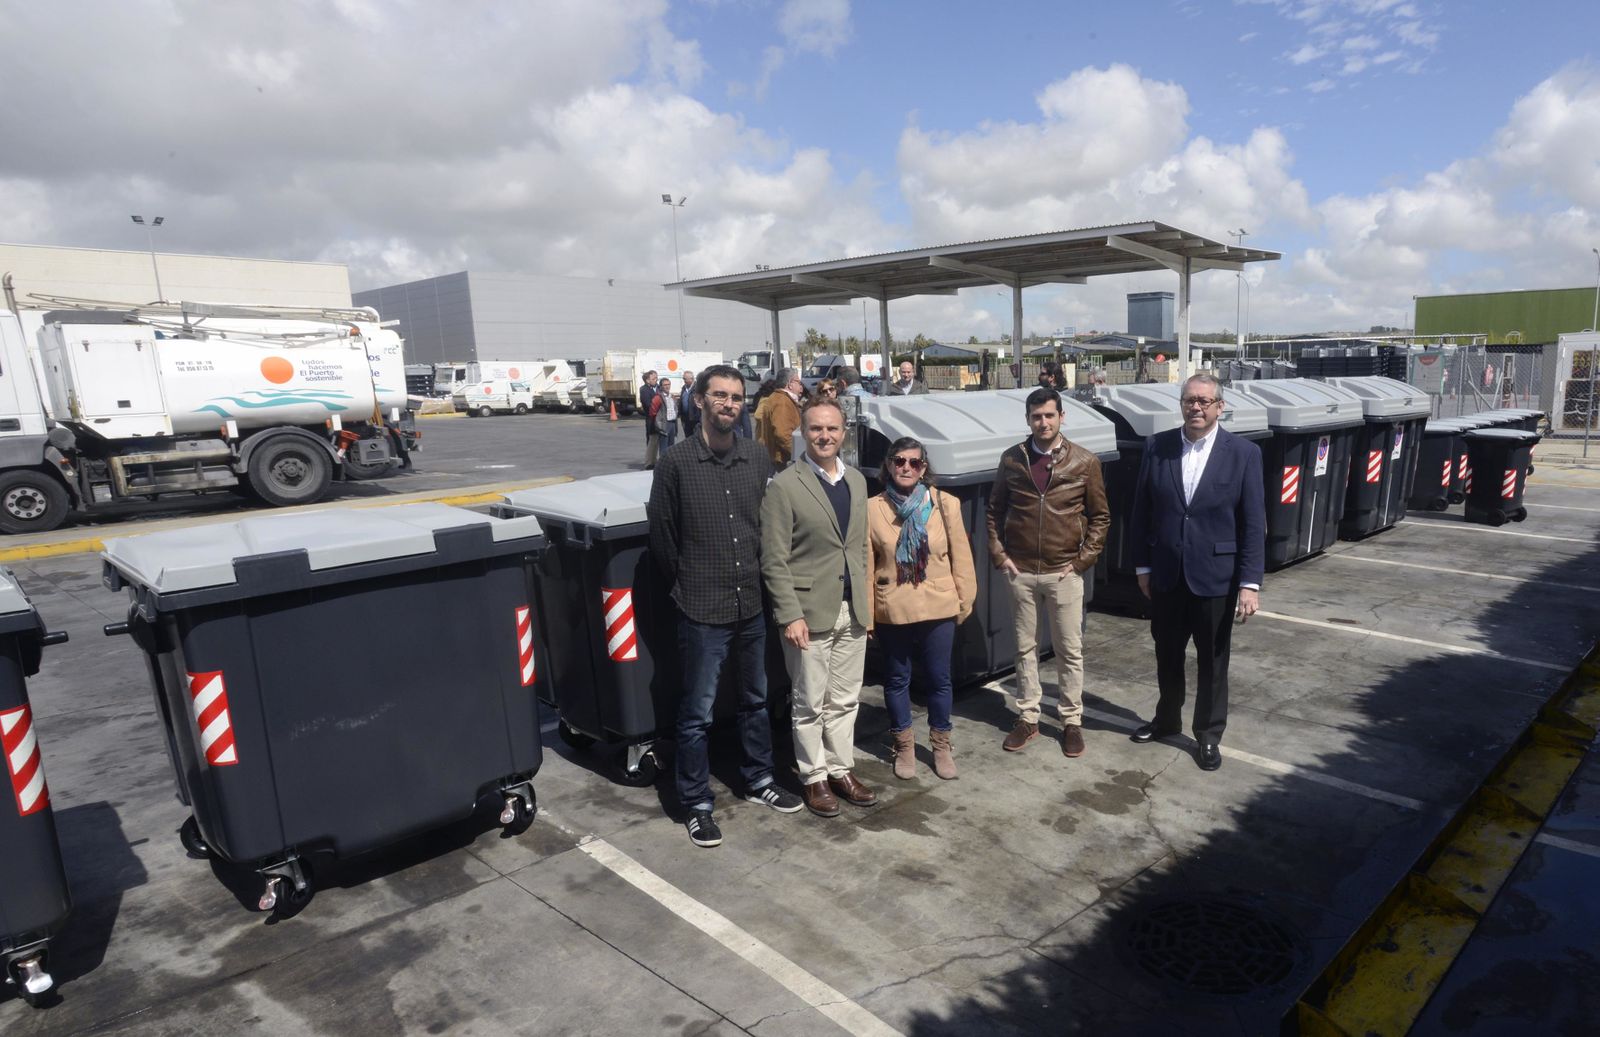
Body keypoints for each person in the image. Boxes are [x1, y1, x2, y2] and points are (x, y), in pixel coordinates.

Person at [647, 365, 804, 848]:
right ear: (699, 401)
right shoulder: (675, 464)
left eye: (736, 397)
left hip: (751, 602)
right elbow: (663, 538)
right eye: (719, 395)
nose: (729, 404)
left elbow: (769, 527)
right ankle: (695, 802)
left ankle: (759, 780)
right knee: (697, 713)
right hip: (701, 606)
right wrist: (687, 583)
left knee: (756, 700)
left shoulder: (758, 459)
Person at [1128, 373, 1264, 772]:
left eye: (1205, 401)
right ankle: (1167, 719)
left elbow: (1254, 523)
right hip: (1167, 576)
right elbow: (1141, 513)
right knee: (1167, 654)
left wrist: (1250, 582)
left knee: (1213, 661)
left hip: (1216, 579)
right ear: (1182, 404)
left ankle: (1207, 735)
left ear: (1220, 407)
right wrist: (1142, 565)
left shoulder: (1243, 454)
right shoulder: (1158, 447)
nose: (1196, 408)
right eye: (1190, 400)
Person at [761, 398, 875, 817]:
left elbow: (859, 548)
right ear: (802, 434)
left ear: (844, 433)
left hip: (852, 611)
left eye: (832, 429)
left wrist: (866, 605)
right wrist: (789, 614)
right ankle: (814, 777)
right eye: (815, 429)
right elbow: (774, 558)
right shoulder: (785, 486)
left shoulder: (858, 481)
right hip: (808, 614)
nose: (824, 436)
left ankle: (842, 769)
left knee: (845, 700)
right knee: (809, 701)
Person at [986, 387, 1110, 757]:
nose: (1043, 422)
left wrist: (1080, 563)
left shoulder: (1084, 462)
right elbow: (994, 511)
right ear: (1028, 419)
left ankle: (1071, 721)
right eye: (1037, 416)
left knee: (1069, 650)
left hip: (1063, 572)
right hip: (1020, 571)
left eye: (1050, 415)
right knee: (1024, 648)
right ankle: (1028, 717)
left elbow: (1100, 517)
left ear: (1061, 417)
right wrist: (999, 555)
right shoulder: (1012, 459)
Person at [867, 437, 976, 780]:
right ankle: (904, 746)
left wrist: (964, 599)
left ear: (924, 468)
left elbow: (962, 556)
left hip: (938, 604)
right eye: (899, 461)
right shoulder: (872, 508)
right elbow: (866, 563)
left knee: (939, 679)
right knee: (898, 679)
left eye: (914, 463)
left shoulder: (946, 504)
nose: (906, 468)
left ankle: (941, 746)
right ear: (888, 465)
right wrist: (868, 613)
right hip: (893, 607)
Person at [754, 366, 803, 467]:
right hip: (784, 460)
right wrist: (799, 455)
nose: (800, 387)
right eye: (798, 382)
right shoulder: (782, 401)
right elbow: (783, 435)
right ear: (790, 383)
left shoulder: (782, 399)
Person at [651, 377, 679, 450]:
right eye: (665, 385)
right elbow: (653, 412)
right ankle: (663, 461)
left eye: (669, 384)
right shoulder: (658, 397)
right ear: (661, 386)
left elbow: (675, 409)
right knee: (664, 448)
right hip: (664, 424)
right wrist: (659, 424)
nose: (667, 386)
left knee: (671, 447)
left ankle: (670, 461)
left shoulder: (672, 397)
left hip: (672, 423)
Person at [640, 370, 660, 470]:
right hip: (651, 419)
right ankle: (649, 462)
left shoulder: (659, 388)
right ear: (647, 380)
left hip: (661, 419)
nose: (656, 380)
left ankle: (655, 460)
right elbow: (648, 405)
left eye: (656, 378)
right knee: (651, 440)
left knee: (658, 441)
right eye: (654, 378)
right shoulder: (644, 390)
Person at [679, 370, 700, 438]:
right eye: (683, 378)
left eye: (685, 378)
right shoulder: (684, 388)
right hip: (685, 418)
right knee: (688, 437)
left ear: (691, 379)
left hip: (695, 418)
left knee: (696, 437)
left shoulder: (697, 388)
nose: (684, 380)